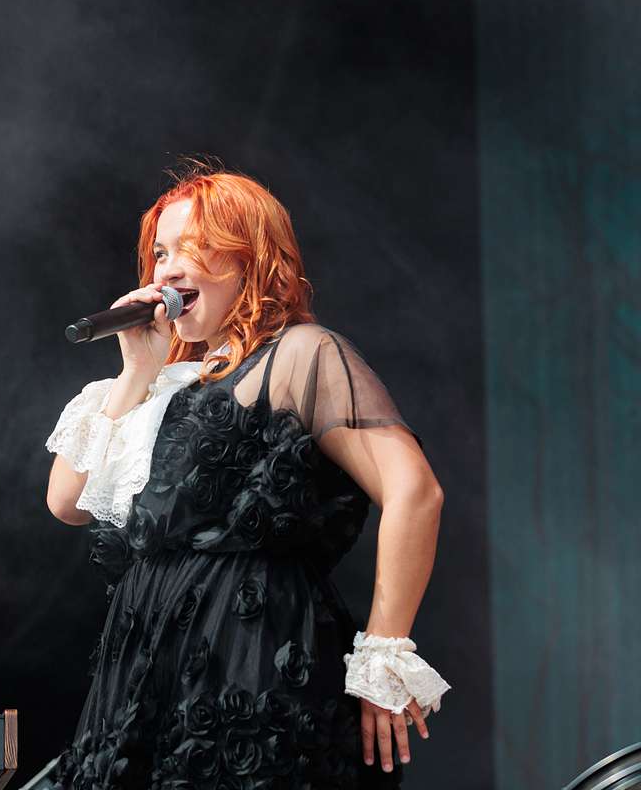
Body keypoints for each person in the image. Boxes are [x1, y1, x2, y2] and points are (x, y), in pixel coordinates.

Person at [45, 167, 448, 788]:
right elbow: (67, 501)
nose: (166, 270)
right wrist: (137, 373)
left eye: (191, 248)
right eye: (159, 253)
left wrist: (384, 653)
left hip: (253, 662)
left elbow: (414, 492)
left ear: (250, 258)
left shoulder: (299, 354)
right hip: (144, 672)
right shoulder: (155, 386)